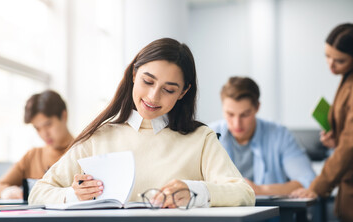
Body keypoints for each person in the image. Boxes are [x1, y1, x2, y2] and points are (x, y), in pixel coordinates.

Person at [29, 38, 255, 208]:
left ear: (183, 92)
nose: (153, 96)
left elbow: (244, 193)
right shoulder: (98, 137)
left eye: (169, 89)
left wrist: (196, 192)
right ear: (134, 74)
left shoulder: (201, 139)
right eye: (148, 81)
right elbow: (38, 193)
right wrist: (74, 194)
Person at [291, 23, 353, 222]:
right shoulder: (346, 78)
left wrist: (317, 187)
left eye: (339, 60)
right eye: (327, 56)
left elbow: (350, 146)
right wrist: (336, 139)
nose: (331, 64)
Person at [209, 77, 316, 196]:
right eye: (230, 114)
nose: (236, 123)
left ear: (257, 107)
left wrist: (259, 190)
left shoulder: (280, 135)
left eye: (245, 114)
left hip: (271, 213)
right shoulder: (208, 135)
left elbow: (308, 180)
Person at [0, 90, 74, 199]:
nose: (44, 134)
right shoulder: (32, 156)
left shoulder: (84, 150)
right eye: (37, 128)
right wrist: (5, 191)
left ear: (64, 116)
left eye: (48, 124)